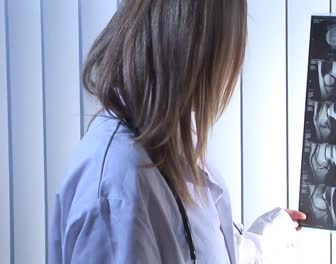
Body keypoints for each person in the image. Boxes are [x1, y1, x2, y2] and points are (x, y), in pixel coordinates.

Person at [48, 1, 306, 263]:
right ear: (198, 53)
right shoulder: (118, 196)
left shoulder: (164, 145)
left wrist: (273, 232)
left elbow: (202, 250)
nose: (234, 68)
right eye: (231, 46)